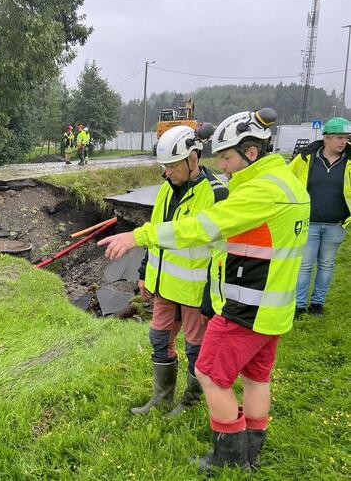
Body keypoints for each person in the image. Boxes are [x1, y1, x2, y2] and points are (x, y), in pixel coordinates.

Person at [98, 108, 310, 472]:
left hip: (245, 306)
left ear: (251, 152)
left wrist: (137, 236)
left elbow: (200, 230)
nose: (224, 166)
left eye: (227, 157)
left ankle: (228, 459)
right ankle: (250, 453)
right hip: (272, 306)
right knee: (256, 377)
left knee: (210, 373)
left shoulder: (253, 193)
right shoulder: (288, 184)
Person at [132, 124, 227, 419]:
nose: (167, 173)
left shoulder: (216, 194)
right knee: (159, 340)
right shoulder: (165, 189)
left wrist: (213, 296)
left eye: (172, 167)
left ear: (192, 160)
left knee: (196, 350)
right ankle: (161, 398)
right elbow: (157, 233)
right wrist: (145, 270)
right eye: (164, 167)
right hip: (164, 288)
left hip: (195, 292)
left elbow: (223, 252)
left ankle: (188, 403)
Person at [289, 117, 351, 317]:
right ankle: (298, 305)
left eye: (346, 138)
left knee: (326, 265)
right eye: (339, 137)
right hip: (309, 223)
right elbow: (287, 180)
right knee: (305, 265)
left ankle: (317, 304)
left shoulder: (349, 161)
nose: (344, 142)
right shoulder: (305, 158)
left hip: (336, 224)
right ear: (326, 138)